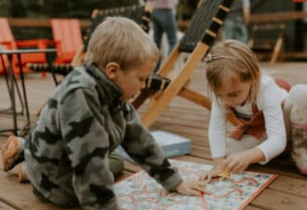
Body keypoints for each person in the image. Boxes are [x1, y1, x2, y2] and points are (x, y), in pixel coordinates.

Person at [1, 17, 209, 210]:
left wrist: (174, 181)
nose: (144, 85)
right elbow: (90, 168)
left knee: (115, 160)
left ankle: (25, 156)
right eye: (141, 78)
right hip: (56, 189)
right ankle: (29, 166)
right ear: (112, 71)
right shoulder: (80, 95)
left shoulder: (113, 90)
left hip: (55, 154)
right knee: (110, 166)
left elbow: (140, 139)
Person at [201, 40, 307, 182]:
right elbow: (216, 128)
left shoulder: (265, 88)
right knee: (228, 155)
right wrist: (218, 166)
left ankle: (299, 152)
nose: (226, 101)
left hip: (286, 128)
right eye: (220, 95)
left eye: (234, 94)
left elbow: (277, 138)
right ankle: (275, 151)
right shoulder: (221, 92)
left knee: (302, 92)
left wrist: (248, 156)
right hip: (260, 131)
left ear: (254, 77)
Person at [148, 0, 178, 72]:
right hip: (165, 9)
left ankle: (154, 70)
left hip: (154, 10)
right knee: (173, 41)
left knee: (156, 44)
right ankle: (167, 68)